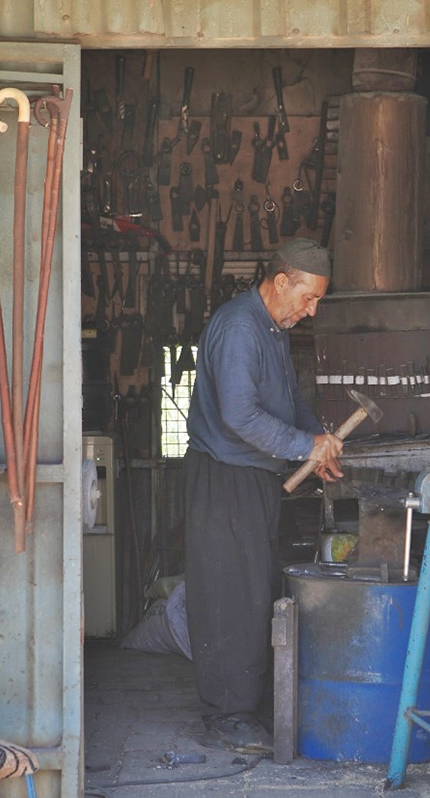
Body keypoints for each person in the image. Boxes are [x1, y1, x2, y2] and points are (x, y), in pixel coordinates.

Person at [184, 239, 344, 753]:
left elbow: (290, 399)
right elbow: (240, 415)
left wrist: (314, 448)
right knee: (228, 597)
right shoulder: (238, 327)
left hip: (253, 478)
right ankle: (225, 716)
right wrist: (304, 445)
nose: (312, 309)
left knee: (254, 592)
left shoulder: (273, 329)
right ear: (281, 282)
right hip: (223, 479)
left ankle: (245, 707)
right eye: (309, 297)